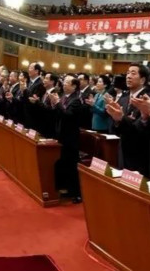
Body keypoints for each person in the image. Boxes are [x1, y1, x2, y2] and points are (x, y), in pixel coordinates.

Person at [108, 63, 150, 173]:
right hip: (123, 149)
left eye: (133, 73)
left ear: (142, 80)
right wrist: (117, 121)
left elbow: (141, 129)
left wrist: (121, 119)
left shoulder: (147, 99)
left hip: (140, 152)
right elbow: (114, 127)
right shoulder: (123, 99)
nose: (128, 76)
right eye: (127, 73)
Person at [51, 75, 85, 203]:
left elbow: (68, 115)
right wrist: (55, 105)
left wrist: (57, 103)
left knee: (72, 165)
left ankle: (77, 193)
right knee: (64, 164)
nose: (64, 84)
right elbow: (59, 114)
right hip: (62, 136)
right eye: (64, 82)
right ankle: (67, 189)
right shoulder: (64, 97)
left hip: (71, 138)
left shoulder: (76, 100)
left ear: (74, 86)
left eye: (67, 82)